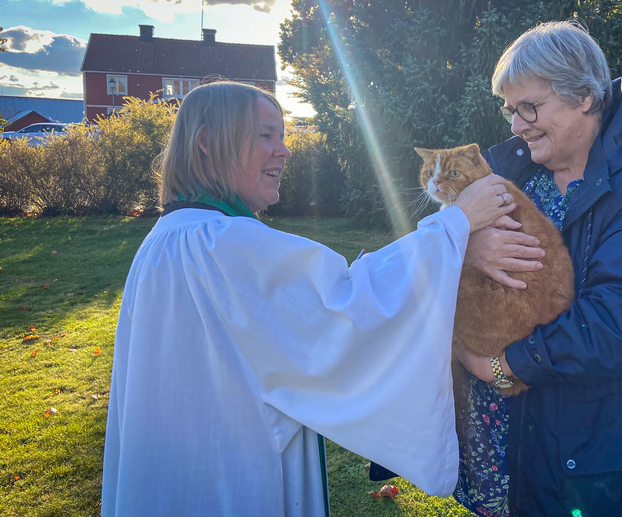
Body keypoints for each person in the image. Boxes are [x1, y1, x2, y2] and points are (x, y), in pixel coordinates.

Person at [100, 81, 517, 516]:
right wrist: (457, 226)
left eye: (281, 135)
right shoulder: (224, 243)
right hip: (234, 480)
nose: (284, 150)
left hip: (175, 475)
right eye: (265, 135)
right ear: (206, 143)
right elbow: (347, 312)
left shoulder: (164, 239)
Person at [452, 20, 622, 516]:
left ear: (585, 97)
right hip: (519, 441)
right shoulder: (514, 172)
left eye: (531, 107)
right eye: (509, 109)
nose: (516, 125)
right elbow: (431, 252)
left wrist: (502, 367)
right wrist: (467, 244)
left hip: (603, 456)